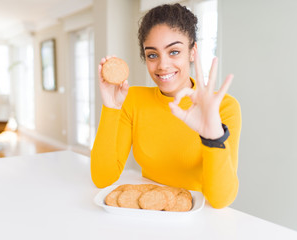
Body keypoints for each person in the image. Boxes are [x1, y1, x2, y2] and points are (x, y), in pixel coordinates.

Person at [91, 3, 241, 209]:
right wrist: (110, 107)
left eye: (174, 51)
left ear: (192, 51)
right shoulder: (131, 99)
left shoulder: (223, 106)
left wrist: (213, 136)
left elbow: (220, 200)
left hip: (199, 220)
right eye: (153, 54)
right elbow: (103, 178)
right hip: (148, 214)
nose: (162, 65)